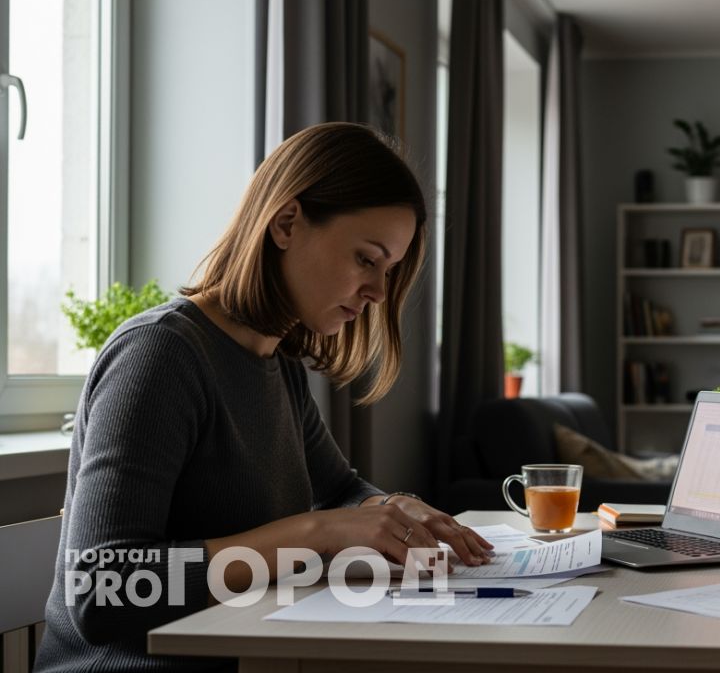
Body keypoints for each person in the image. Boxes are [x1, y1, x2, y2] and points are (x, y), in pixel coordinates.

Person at [35, 123, 492, 672]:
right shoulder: (158, 357)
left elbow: (340, 488)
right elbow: (103, 590)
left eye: (389, 271)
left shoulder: (275, 363)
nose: (377, 293)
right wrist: (313, 533)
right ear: (286, 223)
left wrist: (388, 508)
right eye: (366, 259)